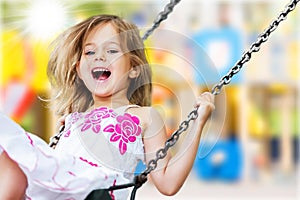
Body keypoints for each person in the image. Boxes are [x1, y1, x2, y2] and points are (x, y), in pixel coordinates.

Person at [0, 14, 215, 200]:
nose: (99, 57)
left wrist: (198, 123)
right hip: (60, 190)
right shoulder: (74, 119)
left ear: (134, 69)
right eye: (90, 52)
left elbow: (168, 184)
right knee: (11, 164)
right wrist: (65, 133)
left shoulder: (144, 117)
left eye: (112, 50)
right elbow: (51, 170)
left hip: (99, 191)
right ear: (79, 69)